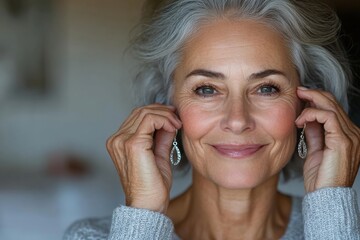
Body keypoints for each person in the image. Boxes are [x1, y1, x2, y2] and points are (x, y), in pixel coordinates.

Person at [64, 0, 360, 239]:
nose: (237, 120)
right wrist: (142, 218)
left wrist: (332, 211)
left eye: (266, 88)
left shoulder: (341, 231)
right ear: (167, 105)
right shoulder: (94, 236)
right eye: (206, 89)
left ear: (306, 104)